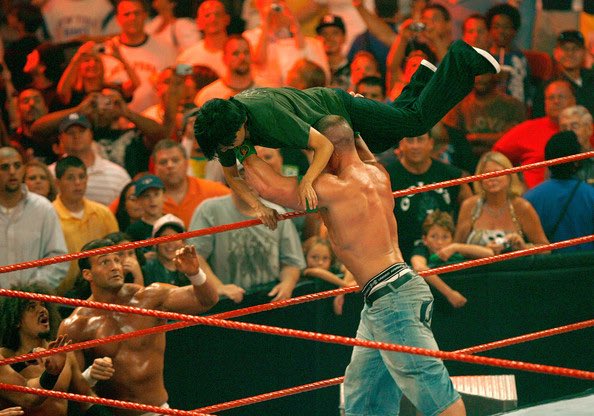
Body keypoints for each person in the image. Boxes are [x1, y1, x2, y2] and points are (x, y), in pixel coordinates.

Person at [241, 115, 466, 415]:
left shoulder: (330, 187)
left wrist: (240, 144)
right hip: (390, 295)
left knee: (436, 398)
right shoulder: (378, 172)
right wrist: (353, 128)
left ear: (327, 152)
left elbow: (268, 188)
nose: (314, 161)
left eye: (315, 151)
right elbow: (357, 150)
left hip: (392, 301)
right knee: (363, 398)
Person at [194, 39, 500, 226]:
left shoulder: (268, 116)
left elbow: (323, 146)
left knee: (415, 124)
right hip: (327, 117)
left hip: (339, 108)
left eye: (232, 141)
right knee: (384, 138)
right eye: (224, 146)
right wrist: (258, 206)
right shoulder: (224, 128)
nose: (230, 148)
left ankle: (460, 59)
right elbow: (232, 175)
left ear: (241, 124)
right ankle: (422, 80)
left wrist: (308, 180)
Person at [58, 239, 218, 413]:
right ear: (87, 274)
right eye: (105, 262)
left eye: (117, 260)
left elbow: (207, 300)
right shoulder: (76, 325)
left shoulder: (150, 298)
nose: (115, 267)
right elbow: (67, 390)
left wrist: (195, 274)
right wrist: (90, 376)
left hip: (157, 411)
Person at [0, 286, 115, 416]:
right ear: (16, 319)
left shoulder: (64, 354)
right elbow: (29, 397)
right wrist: (50, 373)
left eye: (43, 305)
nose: (42, 310)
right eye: (31, 307)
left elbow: (86, 400)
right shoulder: (5, 358)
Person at [188, 190, 306, 304]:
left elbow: (292, 262)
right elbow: (195, 257)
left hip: (269, 299)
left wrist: (287, 283)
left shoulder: (277, 213)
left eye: (253, 177)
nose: (249, 182)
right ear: (230, 180)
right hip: (227, 302)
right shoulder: (209, 210)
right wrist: (218, 287)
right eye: (242, 177)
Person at [384, 128, 473, 262]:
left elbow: (472, 206)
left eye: (420, 140)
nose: (415, 146)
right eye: (410, 141)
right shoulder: (387, 177)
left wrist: (457, 242)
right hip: (401, 256)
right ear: (401, 144)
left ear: (431, 143)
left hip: (444, 256)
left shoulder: (450, 174)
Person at [0, 147, 69, 290]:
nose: (12, 172)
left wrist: (29, 291)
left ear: (23, 169)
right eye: (4, 167)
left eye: (17, 166)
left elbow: (58, 259)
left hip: (33, 299)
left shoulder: (43, 208)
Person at [455, 151, 549, 255]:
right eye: (487, 174)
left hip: (513, 264)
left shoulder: (522, 207)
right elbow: (456, 248)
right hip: (476, 265)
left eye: (497, 173)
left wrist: (523, 247)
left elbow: (545, 249)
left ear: (509, 176)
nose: (492, 178)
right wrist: (481, 251)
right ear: (479, 179)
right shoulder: (469, 206)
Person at [52, 156, 119, 294]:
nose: (77, 183)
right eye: (70, 178)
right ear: (57, 183)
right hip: (61, 294)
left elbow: (116, 252)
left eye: (82, 177)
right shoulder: (49, 215)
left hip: (102, 292)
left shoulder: (103, 213)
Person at [493, 79, 576, 189]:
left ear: (574, 100)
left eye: (561, 97)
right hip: (534, 196)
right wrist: (515, 185)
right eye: (551, 98)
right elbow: (495, 157)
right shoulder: (527, 129)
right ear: (545, 103)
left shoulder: (587, 129)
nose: (556, 101)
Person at [524, 131, 594, 253]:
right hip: (586, 262)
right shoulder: (590, 195)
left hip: (547, 263)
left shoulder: (529, 199)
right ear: (577, 160)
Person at [410, 210, 493, 309]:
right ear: (425, 239)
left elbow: (489, 254)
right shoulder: (422, 249)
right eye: (433, 236)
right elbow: (419, 268)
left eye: (445, 237)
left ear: (452, 238)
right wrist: (449, 294)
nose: (439, 242)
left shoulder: (456, 250)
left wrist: (456, 247)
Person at [50, 113, 131, 206]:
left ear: (91, 134)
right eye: (70, 132)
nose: (76, 136)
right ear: (61, 138)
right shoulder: (50, 174)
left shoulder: (118, 175)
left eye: (81, 131)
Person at [153, 140, 230, 227]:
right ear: (155, 167)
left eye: (175, 160)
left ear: (186, 163)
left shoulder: (213, 190)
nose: (170, 165)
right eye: (163, 162)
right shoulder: (147, 200)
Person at [142, 214, 192, 286]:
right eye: (165, 238)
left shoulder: (191, 269)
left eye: (176, 238)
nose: (170, 243)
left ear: (183, 242)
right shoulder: (146, 270)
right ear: (155, 243)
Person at [558, 105, 594, 185]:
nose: (568, 132)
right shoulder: (556, 163)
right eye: (564, 128)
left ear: (589, 129)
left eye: (574, 126)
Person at [126, 174, 166, 246]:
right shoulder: (133, 231)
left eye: (156, 194)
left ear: (164, 196)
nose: (152, 200)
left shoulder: (174, 222)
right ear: (138, 200)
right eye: (146, 196)